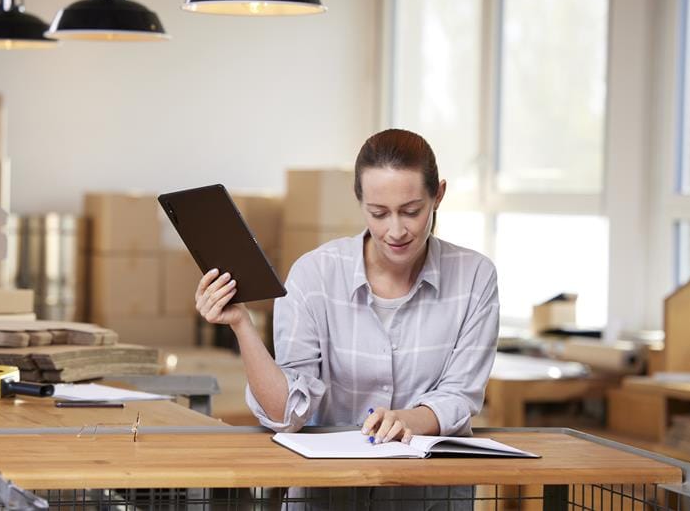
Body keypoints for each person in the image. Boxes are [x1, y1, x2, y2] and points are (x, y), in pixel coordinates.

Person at [195, 128, 499, 509]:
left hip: (430, 494)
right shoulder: (313, 275)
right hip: (328, 495)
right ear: (360, 202)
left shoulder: (475, 277)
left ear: (438, 194)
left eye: (411, 210)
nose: (396, 230)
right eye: (379, 213)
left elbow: (460, 395)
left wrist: (408, 420)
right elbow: (285, 413)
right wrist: (241, 324)